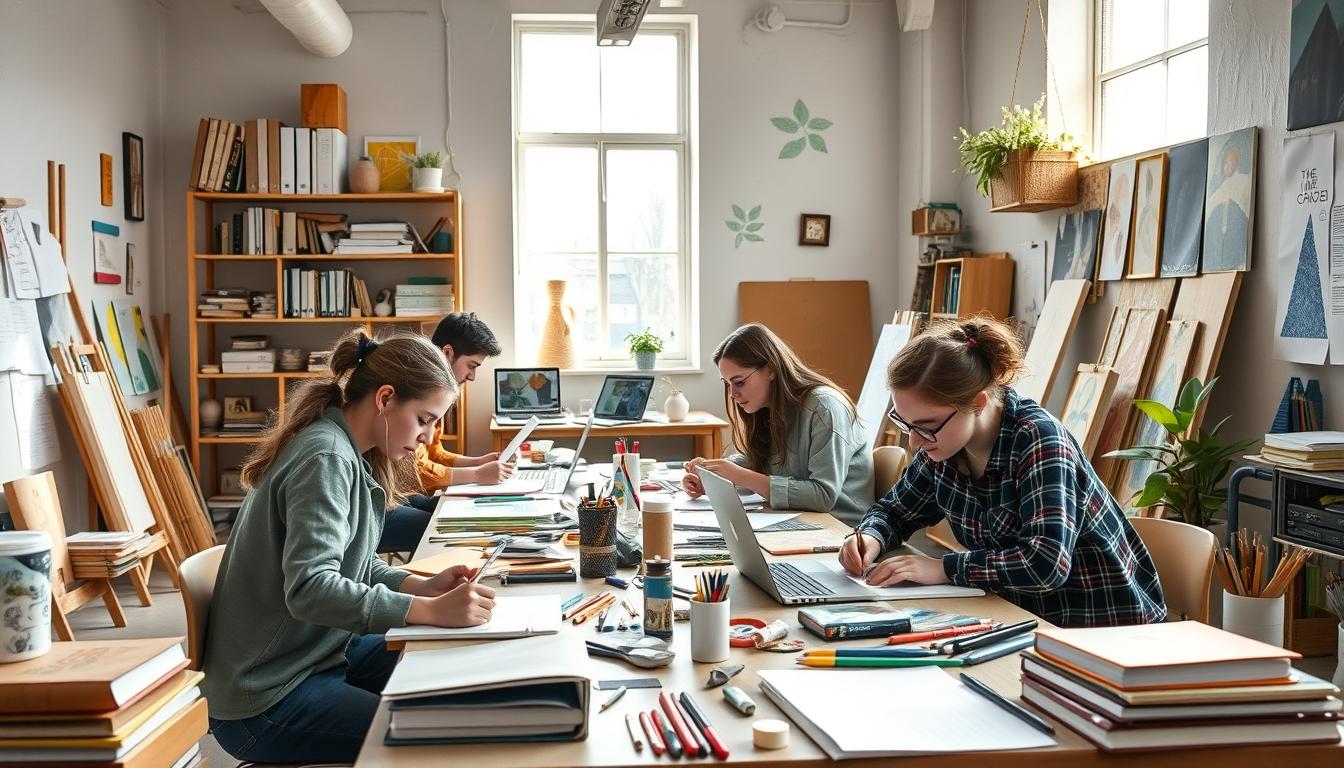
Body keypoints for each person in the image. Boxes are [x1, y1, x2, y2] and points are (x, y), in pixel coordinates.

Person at [203, 330, 497, 764]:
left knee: (451, 664)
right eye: (424, 419)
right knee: (435, 732)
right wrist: (428, 610)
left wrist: (420, 587)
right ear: (385, 398)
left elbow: (353, 565)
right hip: (268, 697)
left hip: (319, 652)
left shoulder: (349, 450)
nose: (427, 436)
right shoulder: (325, 458)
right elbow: (312, 589)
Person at [838, 318, 1166, 628]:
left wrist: (943, 568)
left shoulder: (1039, 440)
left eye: (926, 426)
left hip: (1099, 625)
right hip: (1019, 611)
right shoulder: (943, 444)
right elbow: (895, 511)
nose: (914, 442)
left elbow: (1046, 563)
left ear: (978, 403)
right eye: (905, 424)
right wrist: (870, 537)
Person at [681, 323, 874, 525]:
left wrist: (739, 475)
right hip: (802, 522)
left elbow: (823, 496)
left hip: (842, 530)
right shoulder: (769, 409)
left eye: (739, 382)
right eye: (728, 384)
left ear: (771, 369)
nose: (732, 394)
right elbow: (758, 460)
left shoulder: (824, 407)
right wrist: (711, 476)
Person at [380, 313, 514, 552]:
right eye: (471, 366)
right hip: (387, 495)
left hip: (397, 492)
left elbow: (434, 453)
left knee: (464, 513)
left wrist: (477, 463)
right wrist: (476, 474)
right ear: (447, 353)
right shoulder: (417, 392)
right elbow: (414, 471)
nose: (472, 376)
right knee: (450, 528)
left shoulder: (437, 393)